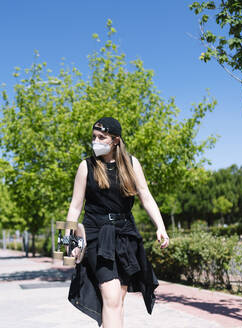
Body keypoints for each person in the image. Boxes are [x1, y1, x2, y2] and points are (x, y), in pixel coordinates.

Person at [66, 117, 169, 328]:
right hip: (96, 235)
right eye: (94, 137)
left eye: (101, 137)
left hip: (125, 234)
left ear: (115, 140)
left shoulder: (132, 164)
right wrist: (67, 245)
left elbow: (146, 197)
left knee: (118, 300)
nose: (96, 141)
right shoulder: (86, 167)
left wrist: (161, 226)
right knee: (112, 296)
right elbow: (75, 207)